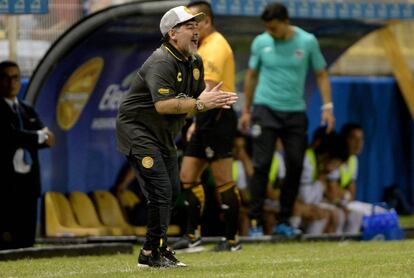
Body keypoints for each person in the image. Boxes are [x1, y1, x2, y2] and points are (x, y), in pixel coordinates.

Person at [115, 5, 238, 268]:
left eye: (197, 27)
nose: (196, 32)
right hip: (138, 131)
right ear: (172, 33)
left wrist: (211, 101)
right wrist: (202, 103)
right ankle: (157, 253)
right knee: (160, 190)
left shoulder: (195, 61)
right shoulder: (161, 60)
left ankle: (150, 251)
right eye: (189, 27)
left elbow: (195, 99)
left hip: (163, 134)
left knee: (171, 190)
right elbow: (164, 105)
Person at [239, 3, 335, 237]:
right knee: (261, 166)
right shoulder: (261, 42)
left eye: (274, 28)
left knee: (295, 165)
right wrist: (246, 110)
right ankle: (255, 223)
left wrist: (327, 107)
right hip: (265, 109)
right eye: (267, 29)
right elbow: (252, 76)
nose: (270, 33)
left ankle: (284, 220)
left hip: (294, 112)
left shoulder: (307, 41)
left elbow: (321, 74)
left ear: (286, 22)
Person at [172, 0, 241, 253]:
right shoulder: (201, 47)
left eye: (192, 23)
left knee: (223, 179)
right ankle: (193, 237)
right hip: (204, 117)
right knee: (187, 176)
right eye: (185, 23)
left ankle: (232, 240)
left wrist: (184, 113)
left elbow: (208, 91)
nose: (188, 27)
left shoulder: (215, 48)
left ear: (206, 22)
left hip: (218, 117)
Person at [0, 60, 54, 250]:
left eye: (15, 77)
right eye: (5, 78)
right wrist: (38, 136)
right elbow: (10, 136)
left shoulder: (26, 109)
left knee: (27, 239)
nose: (11, 82)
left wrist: (36, 137)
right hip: (6, 183)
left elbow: (50, 139)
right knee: (7, 238)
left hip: (29, 181)